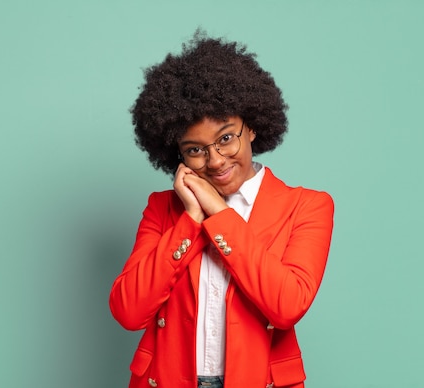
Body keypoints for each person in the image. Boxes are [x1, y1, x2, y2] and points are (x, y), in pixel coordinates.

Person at [109, 31, 334, 388]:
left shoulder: (306, 206)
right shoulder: (161, 208)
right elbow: (128, 311)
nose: (215, 161)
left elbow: (288, 306)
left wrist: (219, 213)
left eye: (226, 138)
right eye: (195, 150)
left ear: (253, 128)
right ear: (177, 154)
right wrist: (191, 218)